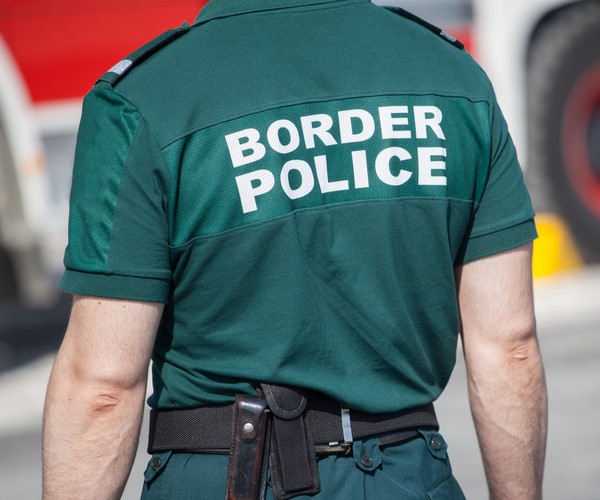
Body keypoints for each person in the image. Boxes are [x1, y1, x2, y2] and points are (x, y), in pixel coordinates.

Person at [42, 0, 548, 498]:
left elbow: (103, 390)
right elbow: (509, 345)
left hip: (222, 474)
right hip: (405, 473)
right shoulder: (454, 78)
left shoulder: (144, 98)